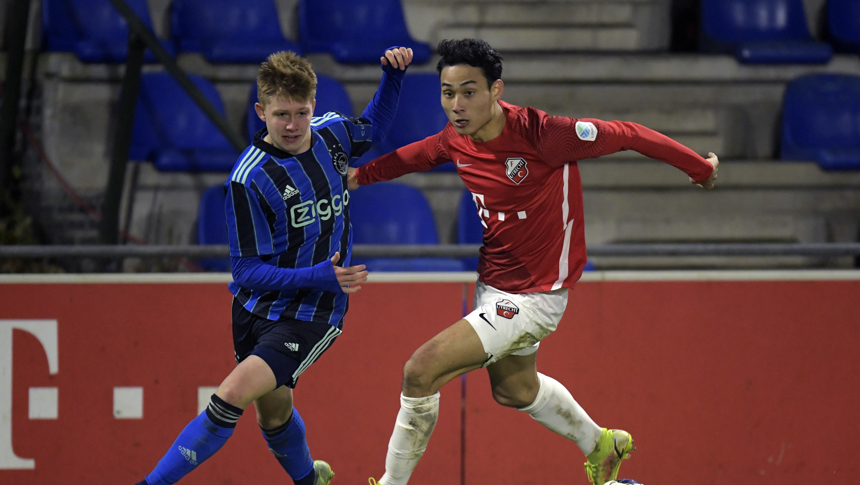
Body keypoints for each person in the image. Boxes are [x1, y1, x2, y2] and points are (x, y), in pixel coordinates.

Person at [348, 38, 718, 485]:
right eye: (448, 93)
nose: (457, 105)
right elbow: (415, 156)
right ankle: (602, 445)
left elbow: (630, 134)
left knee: (419, 370)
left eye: (469, 91)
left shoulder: (546, 135)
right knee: (514, 390)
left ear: (496, 90)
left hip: (537, 296)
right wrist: (359, 176)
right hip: (495, 286)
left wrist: (699, 168)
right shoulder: (456, 139)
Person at [134, 46, 414, 485]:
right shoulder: (249, 179)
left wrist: (392, 78)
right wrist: (317, 272)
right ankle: (311, 481)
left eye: (301, 113)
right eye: (281, 114)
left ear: (313, 107)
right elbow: (245, 271)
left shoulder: (333, 137)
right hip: (256, 309)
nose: (292, 125)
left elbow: (373, 128)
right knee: (274, 412)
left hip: (313, 311)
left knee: (230, 396)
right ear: (261, 111)